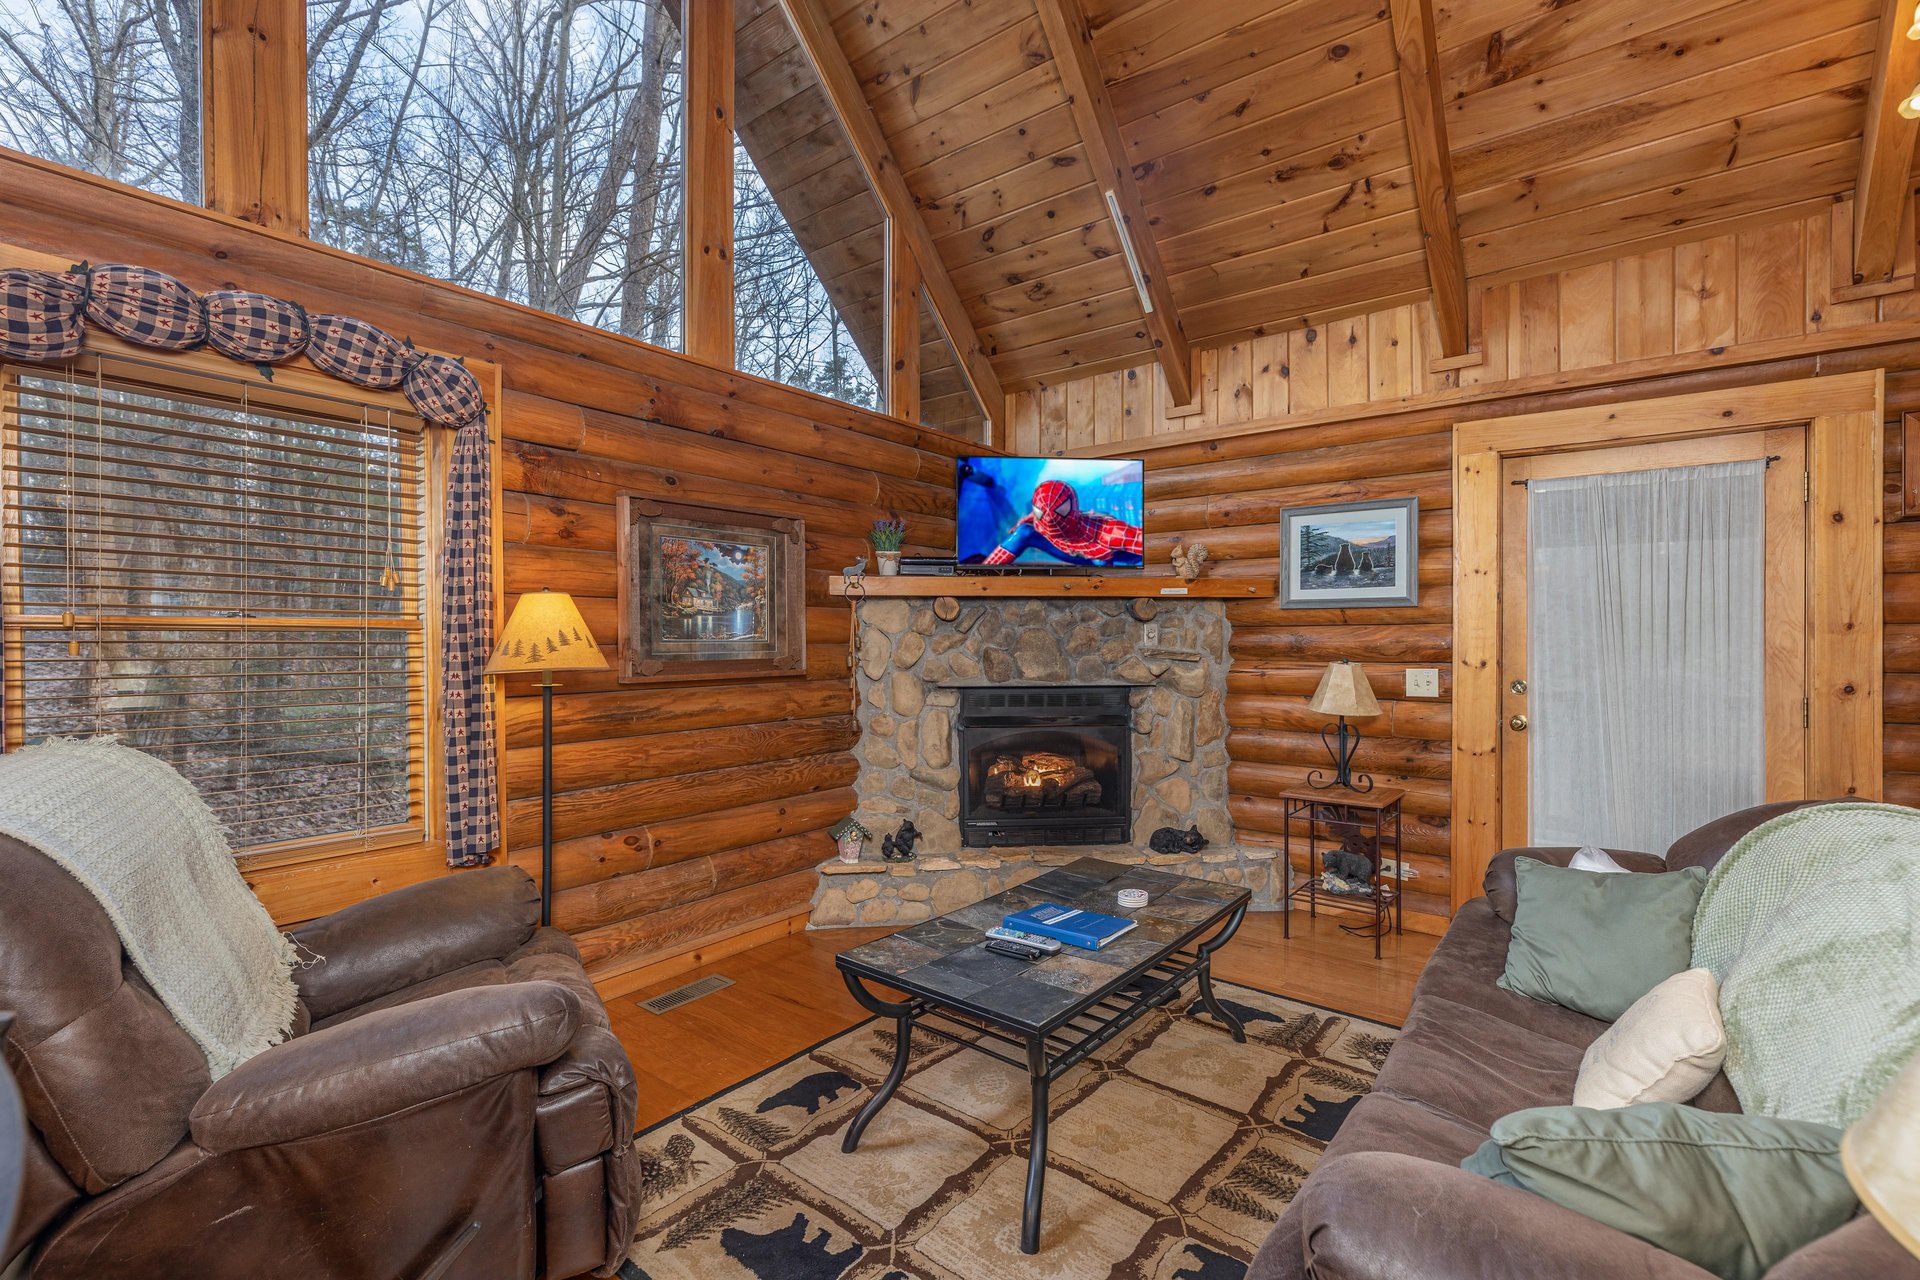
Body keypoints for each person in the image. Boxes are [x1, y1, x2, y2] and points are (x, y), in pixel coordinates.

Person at [985, 478, 1143, 567]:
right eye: (1041, 512)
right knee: (1023, 532)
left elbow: (1142, 541)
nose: (1049, 519)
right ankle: (983, 571)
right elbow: (1046, 508)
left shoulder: (1109, 533)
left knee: (1101, 564)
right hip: (1075, 550)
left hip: (1098, 560)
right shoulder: (1042, 517)